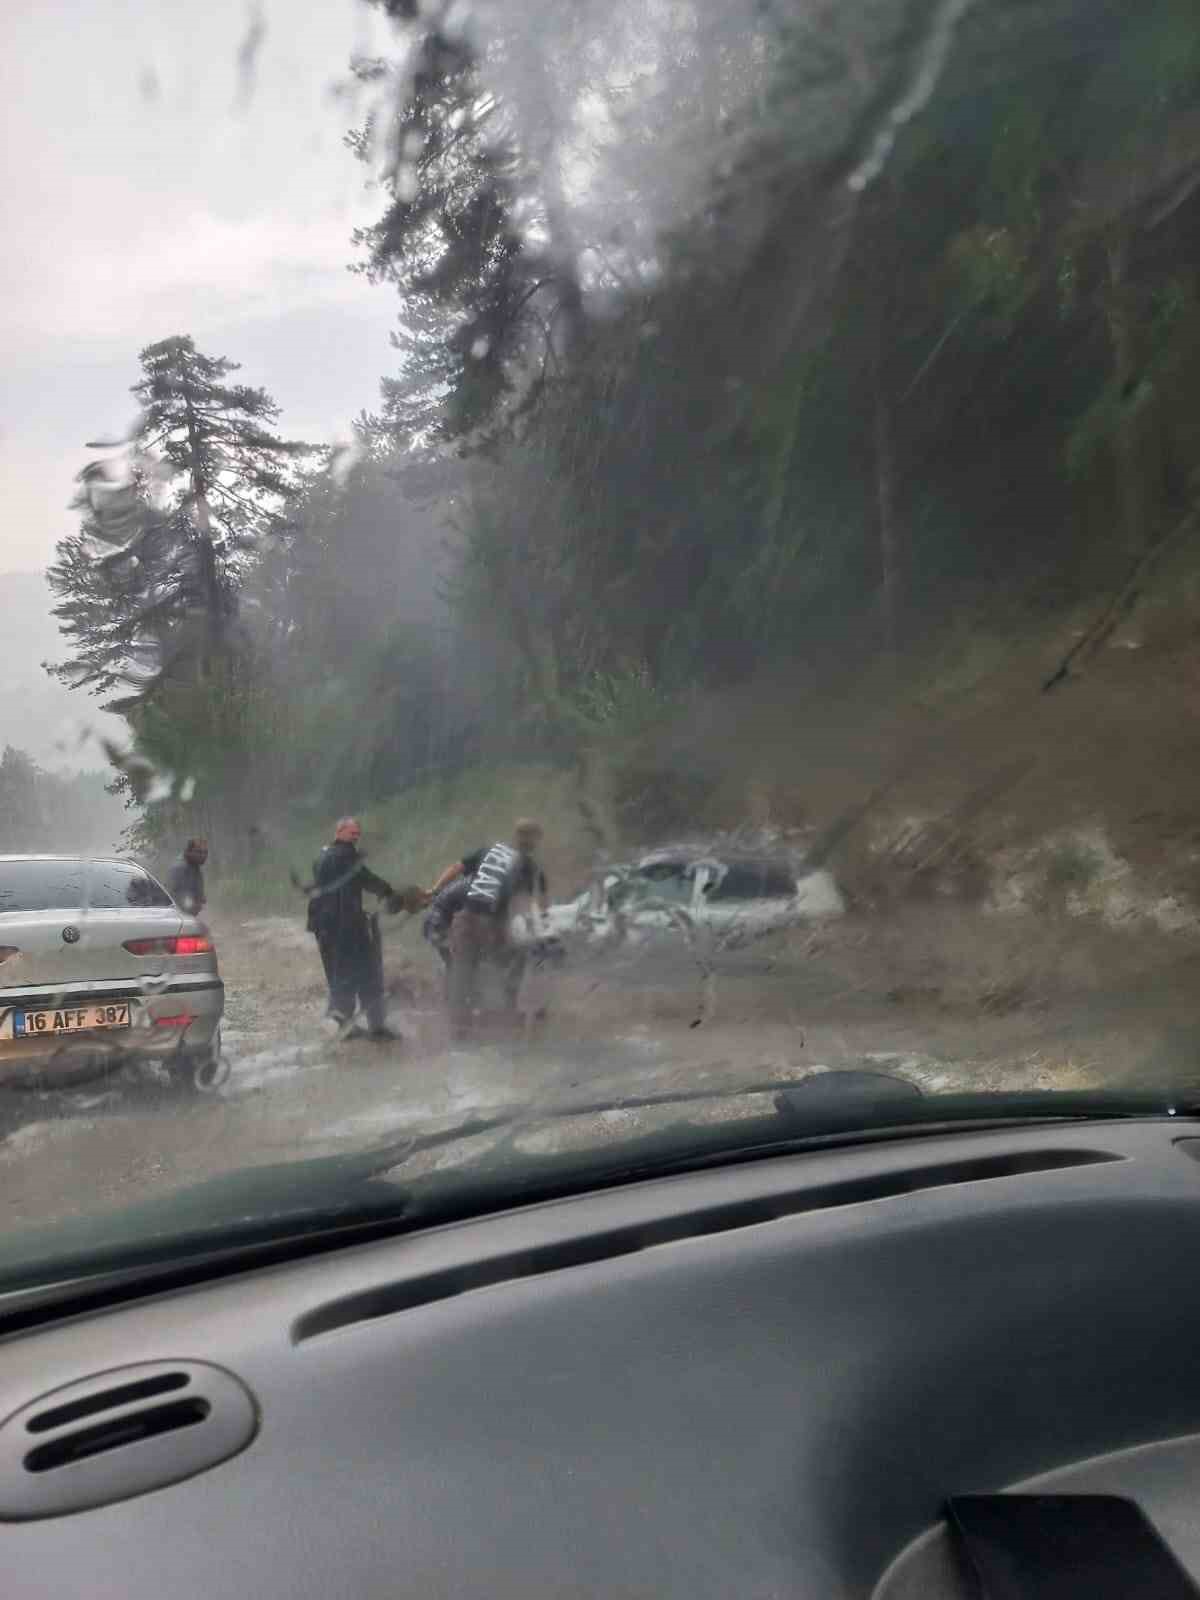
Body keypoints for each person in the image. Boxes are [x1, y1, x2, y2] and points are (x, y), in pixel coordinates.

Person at [306, 817, 408, 1043]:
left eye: (358, 833)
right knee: (368, 972)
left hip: (323, 927)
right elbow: (365, 878)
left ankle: (343, 1025)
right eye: (352, 833)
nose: (356, 837)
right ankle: (377, 1026)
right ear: (339, 831)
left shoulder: (321, 856)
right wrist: (390, 893)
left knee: (338, 974)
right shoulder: (345, 854)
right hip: (345, 926)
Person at [444, 820, 550, 1035]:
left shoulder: (490, 850)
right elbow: (531, 902)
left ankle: (459, 1028)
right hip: (489, 922)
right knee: (513, 960)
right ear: (533, 840)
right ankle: (509, 1014)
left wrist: (433, 889)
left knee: (463, 971)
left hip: (465, 917)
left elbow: (456, 867)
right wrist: (539, 927)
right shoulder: (528, 865)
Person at [167, 838, 208, 917]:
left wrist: (201, 897)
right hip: (179, 916)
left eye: (205, 852)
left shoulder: (195, 866)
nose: (203, 855)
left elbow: (198, 891)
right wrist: (192, 904)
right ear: (188, 852)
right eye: (199, 852)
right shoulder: (179, 868)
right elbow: (171, 893)